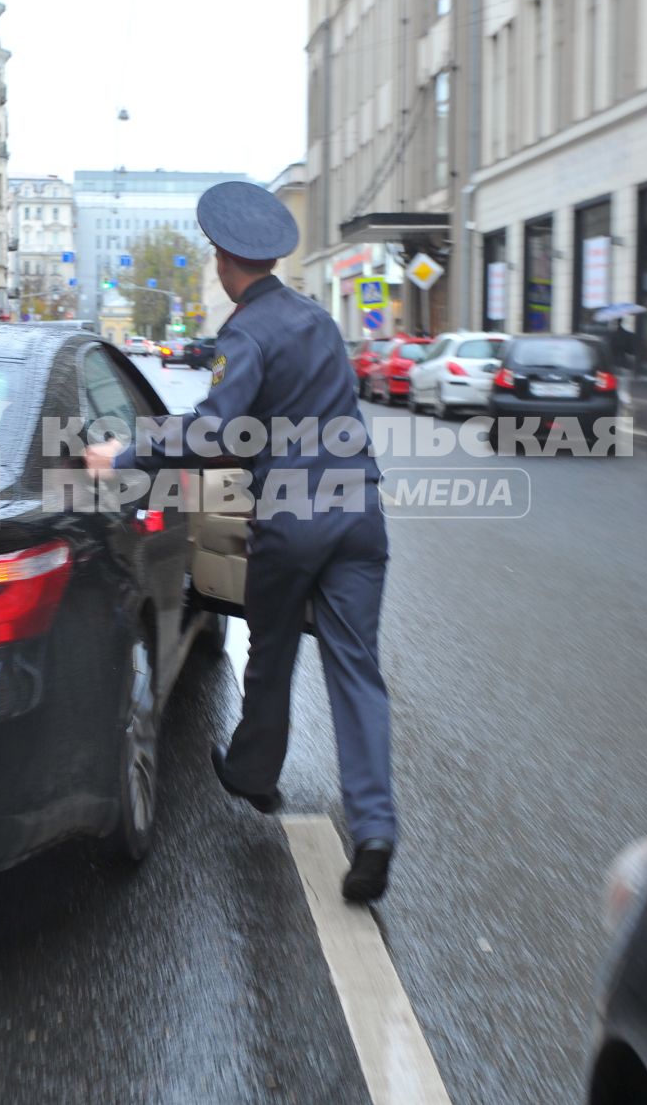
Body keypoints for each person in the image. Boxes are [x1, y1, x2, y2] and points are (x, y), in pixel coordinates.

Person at [83, 181, 397, 902]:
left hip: (292, 518)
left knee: (272, 642)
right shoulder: (318, 320)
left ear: (225, 260)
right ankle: (376, 829)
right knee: (358, 674)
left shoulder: (246, 333)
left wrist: (124, 456)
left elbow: (217, 431)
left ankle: (256, 772)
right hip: (359, 509)